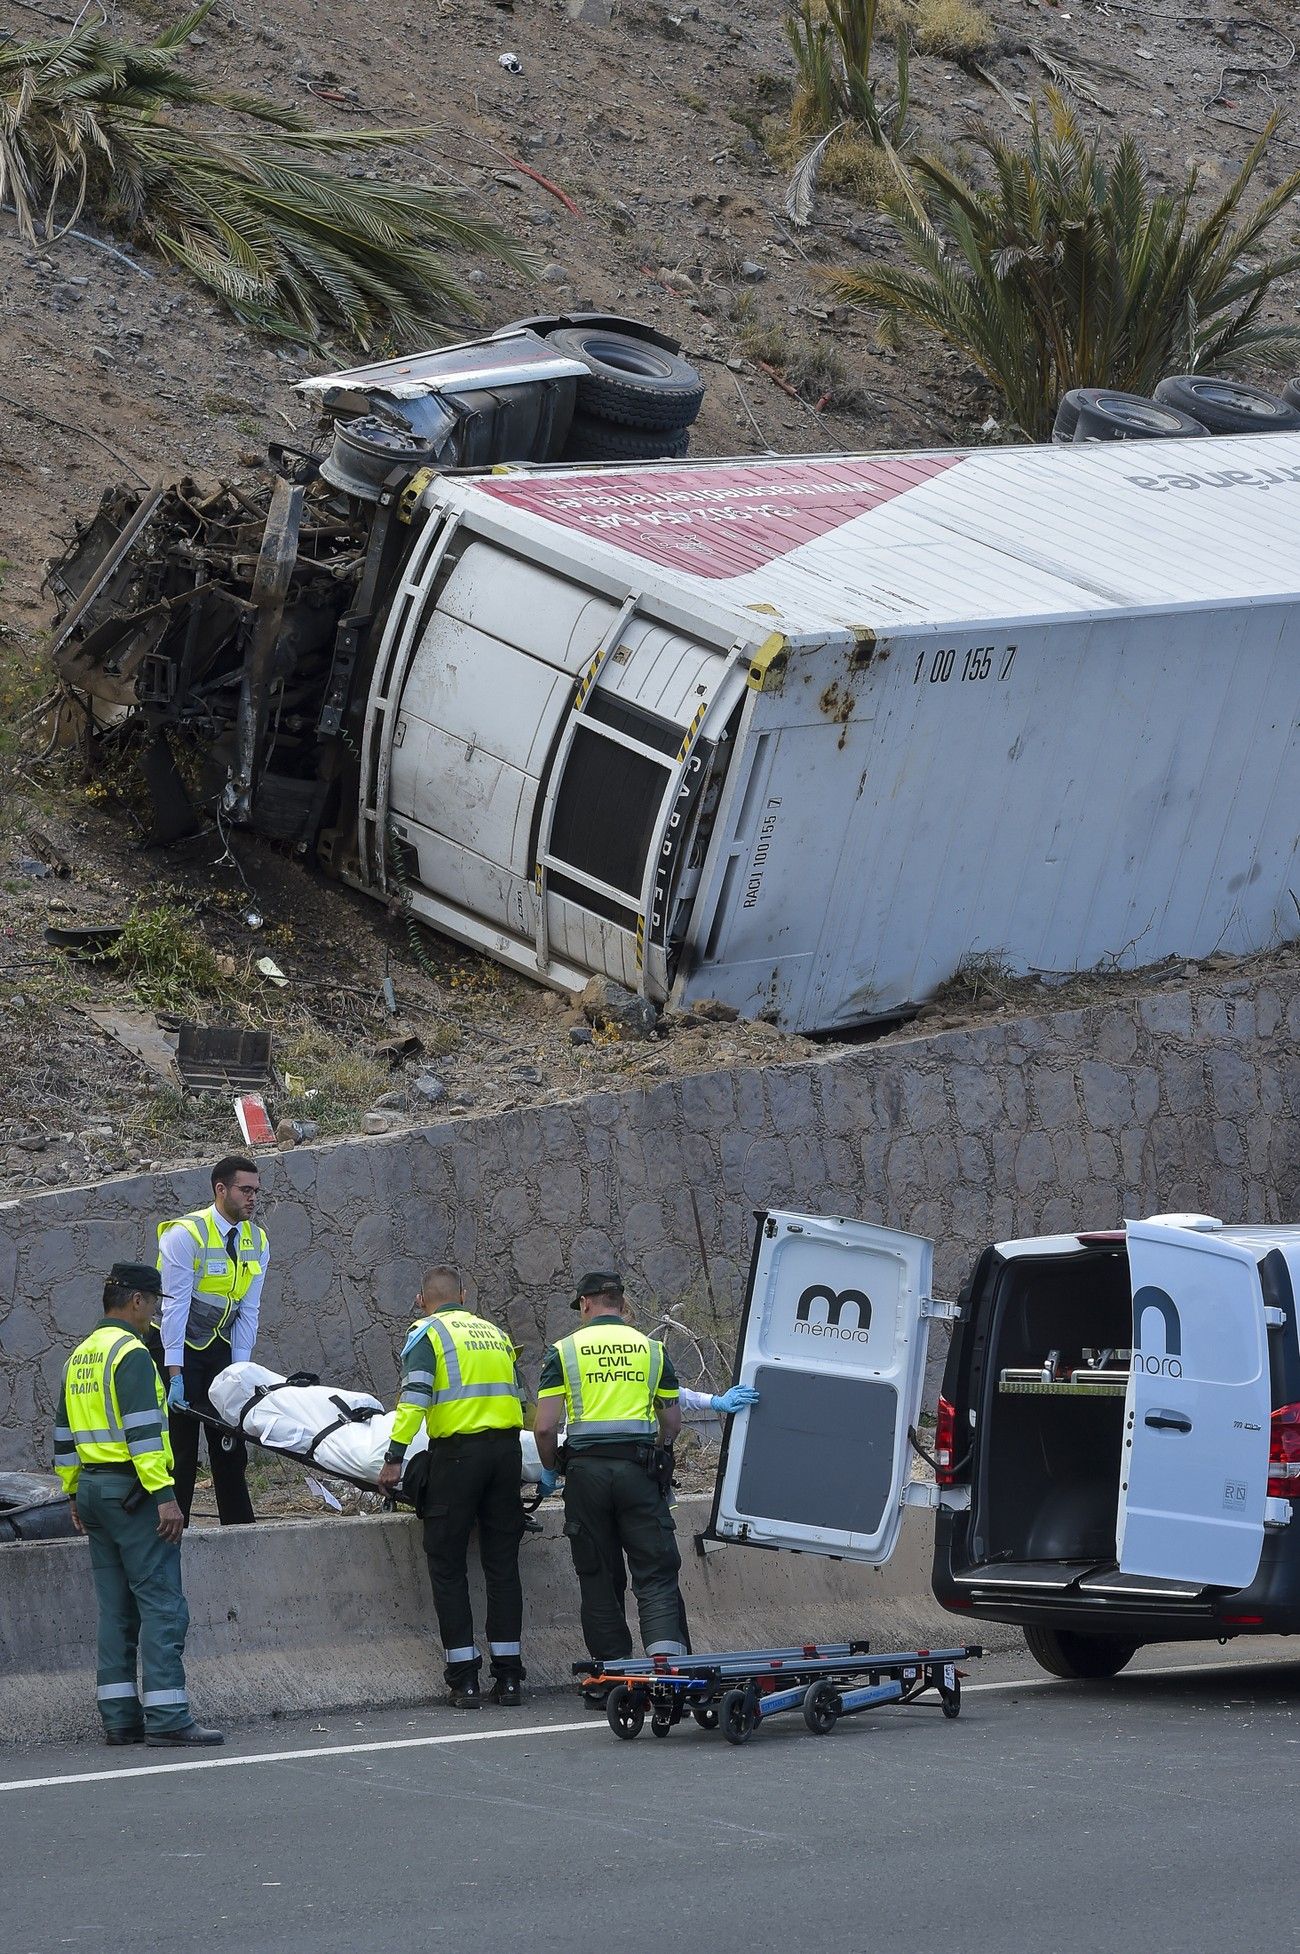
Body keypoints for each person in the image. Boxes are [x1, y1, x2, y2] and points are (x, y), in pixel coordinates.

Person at [53, 1264, 222, 1748]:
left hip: (93, 1491)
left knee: (115, 1610)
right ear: (135, 1302)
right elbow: (145, 1432)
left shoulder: (79, 1357)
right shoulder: (130, 1354)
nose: (156, 1314)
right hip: (133, 1493)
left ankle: (120, 1718)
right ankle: (168, 1716)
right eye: (154, 1303)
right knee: (162, 1604)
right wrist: (165, 1496)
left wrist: (73, 1492)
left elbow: (63, 1436)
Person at [378, 1267, 527, 1710]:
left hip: (458, 1457)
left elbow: (414, 1399)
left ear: (421, 1300)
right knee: (502, 1565)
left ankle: (464, 1680)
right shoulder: (495, 1335)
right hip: (506, 1455)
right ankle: (510, 1678)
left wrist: (394, 1457)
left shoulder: (427, 1334)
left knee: (447, 1562)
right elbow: (518, 1398)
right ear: (463, 1295)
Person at [533, 1271, 687, 1664]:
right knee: (655, 1574)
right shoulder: (652, 1350)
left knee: (598, 1577)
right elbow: (671, 1424)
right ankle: (666, 1670)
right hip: (639, 1473)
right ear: (621, 1302)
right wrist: (660, 1455)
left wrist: (550, 1470)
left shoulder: (564, 1351)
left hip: (586, 1478)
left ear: (585, 1303)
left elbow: (546, 1426)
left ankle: (614, 1678)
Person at [155, 1153, 269, 1527]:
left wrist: (239, 1372)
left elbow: (248, 1310)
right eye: (245, 1190)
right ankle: (177, 1531)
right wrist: (175, 1374)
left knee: (229, 1443)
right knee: (182, 1449)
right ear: (221, 1190)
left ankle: (240, 1530)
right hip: (180, 1349)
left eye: (256, 1190)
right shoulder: (185, 1235)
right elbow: (174, 1309)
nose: (253, 1197)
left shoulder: (257, 1239)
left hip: (220, 1347)